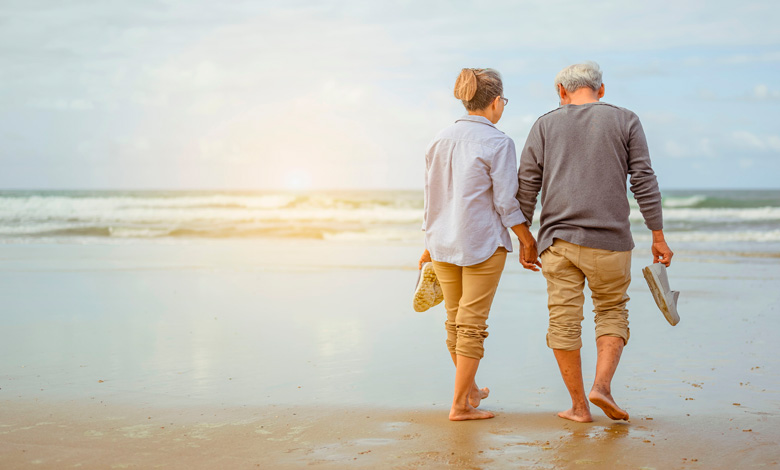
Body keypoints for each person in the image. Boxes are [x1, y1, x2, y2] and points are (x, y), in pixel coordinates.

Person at [516, 61, 673, 423]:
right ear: (601, 90)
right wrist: (658, 234)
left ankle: (579, 407)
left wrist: (525, 237)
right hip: (611, 242)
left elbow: (527, 185)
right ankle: (601, 386)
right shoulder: (626, 120)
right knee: (612, 311)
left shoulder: (544, 125)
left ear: (561, 93)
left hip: (558, 241)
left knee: (563, 322)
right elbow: (644, 180)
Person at [418, 68, 540, 421]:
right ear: (496, 102)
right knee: (471, 324)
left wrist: (428, 241)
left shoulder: (438, 139)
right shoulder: (499, 142)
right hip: (482, 242)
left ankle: (468, 391)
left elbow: (431, 199)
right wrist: (526, 239)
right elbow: (505, 202)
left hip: (441, 241)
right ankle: (459, 406)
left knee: (455, 321)